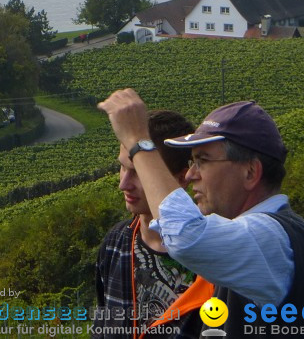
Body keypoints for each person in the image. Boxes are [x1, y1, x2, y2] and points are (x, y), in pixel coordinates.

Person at [97, 91, 304, 334]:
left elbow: (184, 236)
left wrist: (139, 142)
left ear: (250, 173)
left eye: (203, 161)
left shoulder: (271, 237)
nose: (191, 175)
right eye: (192, 162)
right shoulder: (274, 235)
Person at [91, 109, 214, 339]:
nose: (124, 184)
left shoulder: (211, 255)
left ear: (181, 178)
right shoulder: (115, 244)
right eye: (122, 168)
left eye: (138, 173)